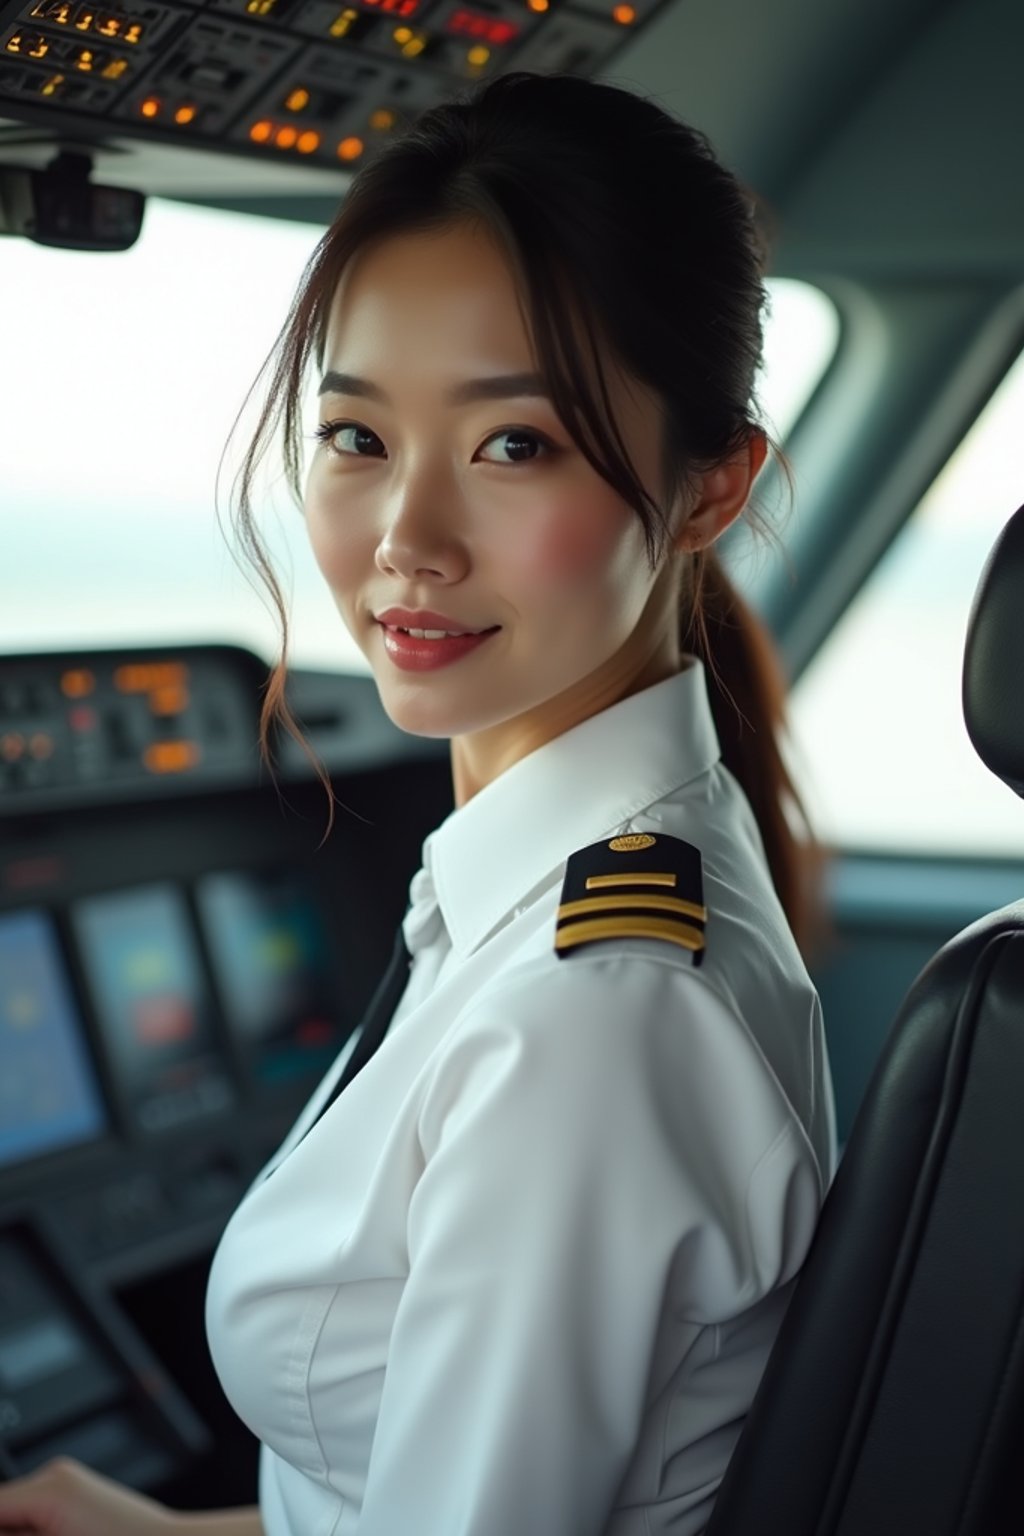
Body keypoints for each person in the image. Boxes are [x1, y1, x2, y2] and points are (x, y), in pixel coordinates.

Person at [0, 69, 835, 1536]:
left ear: (709, 490)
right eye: (358, 437)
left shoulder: (593, 1010)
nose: (408, 541)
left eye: (515, 444)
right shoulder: (558, 891)